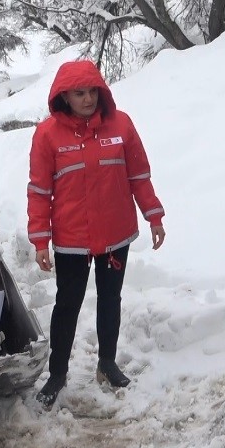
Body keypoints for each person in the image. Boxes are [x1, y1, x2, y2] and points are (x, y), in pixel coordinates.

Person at [27, 60, 166, 408]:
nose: (87, 99)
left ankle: (107, 362)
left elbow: (139, 175)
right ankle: (57, 374)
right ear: (64, 96)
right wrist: (40, 240)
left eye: (92, 91)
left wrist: (154, 216)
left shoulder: (121, 125)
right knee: (68, 305)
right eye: (79, 93)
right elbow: (39, 192)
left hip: (116, 233)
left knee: (110, 299)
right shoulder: (47, 135)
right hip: (72, 239)